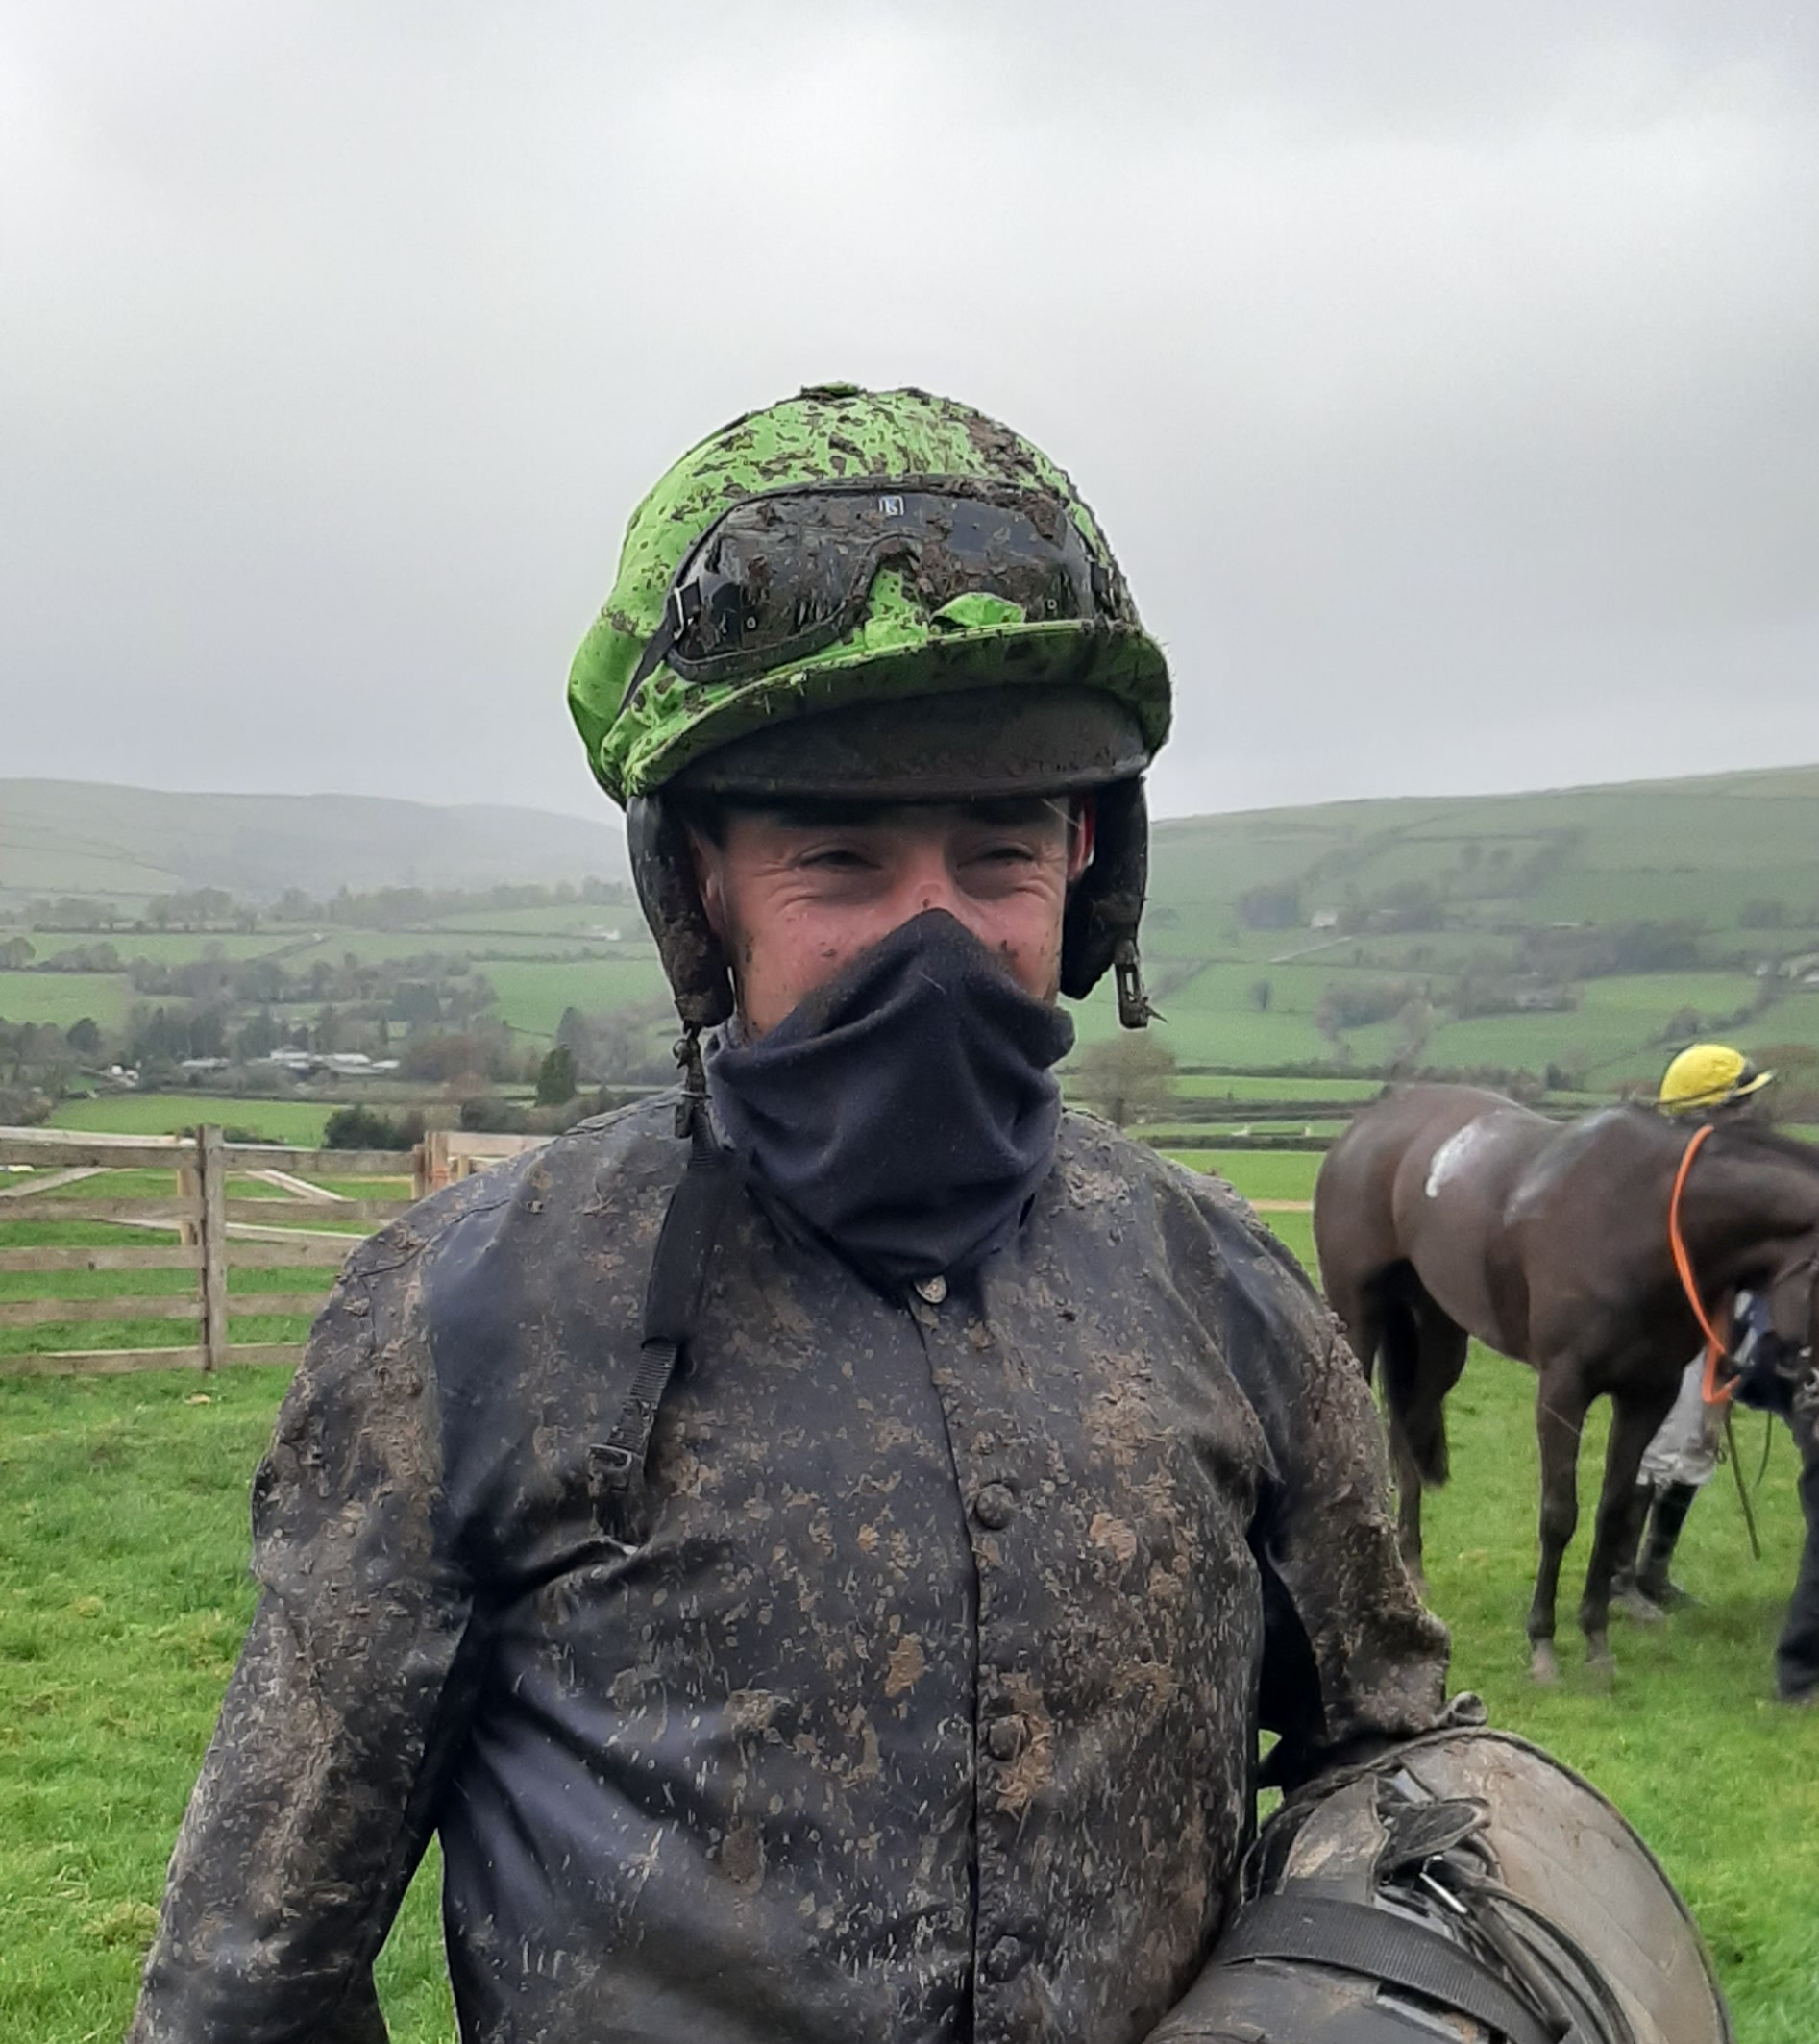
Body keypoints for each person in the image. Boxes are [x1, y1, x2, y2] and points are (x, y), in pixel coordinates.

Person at [131, 386, 1693, 2044]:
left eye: (996, 854)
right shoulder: (472, 1314)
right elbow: (250, 1977)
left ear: (1085, 869)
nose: (931, 931)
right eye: (842, 861)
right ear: (700, 882)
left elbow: (1388, 1759)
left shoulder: (1221, 1290)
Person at [1613, 1044, 1774, 1613]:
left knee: (1699, 1445)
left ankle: (1654, 1572)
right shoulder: (1668, 1176)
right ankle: (1619, 1580)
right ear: (1711, 1110)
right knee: (1660, 1446)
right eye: (1741, 1103)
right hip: (1670, 1331)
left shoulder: (1731, 1169)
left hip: (1719, 1329)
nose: (1751, 1113)